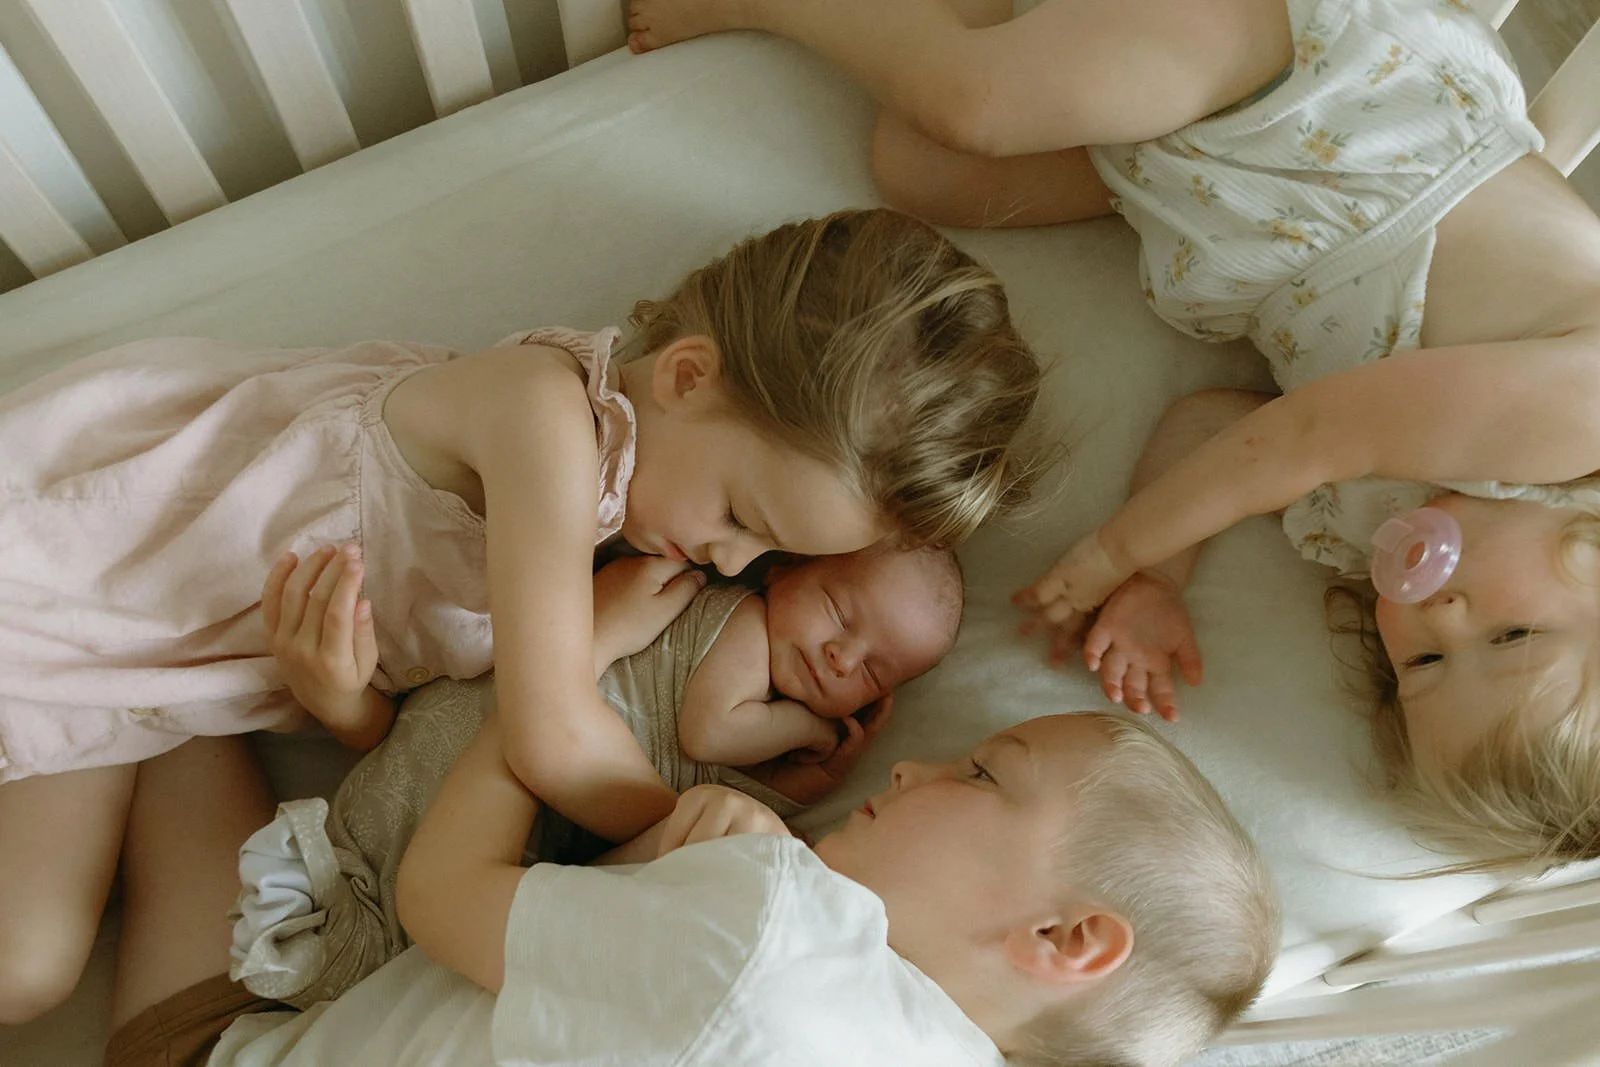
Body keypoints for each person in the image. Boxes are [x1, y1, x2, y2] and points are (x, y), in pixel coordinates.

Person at [0, 207, 1049, 1024]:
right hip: (100, 564)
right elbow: (546, 731)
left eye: (769, 557)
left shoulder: (621, 545)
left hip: (170, 671)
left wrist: (337, 696)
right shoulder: (544, 420)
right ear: (687, 375)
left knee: (30, 962)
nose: (736, 562)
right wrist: (735, 855)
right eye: (740, 516)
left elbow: (411, 728)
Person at [625, 0, 1600, 868]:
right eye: (1510, 632)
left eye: (1422, 666)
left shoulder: (1366, 522)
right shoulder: (1574, 418)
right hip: (1315, 90)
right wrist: (1109, 552)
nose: (1445, 615)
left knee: (921, 165)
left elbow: (1215, 422)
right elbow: (1296, 433)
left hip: (1215, 198)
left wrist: (1158, 580)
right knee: (977, 100)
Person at [105, 706, 1278, 1067]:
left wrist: (531, 717)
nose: (913, 761)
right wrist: (662, 861)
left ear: (1066, 935)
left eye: (982, 771)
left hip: (226, 1053)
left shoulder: (774, 918)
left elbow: (446, 899)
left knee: (168, 709)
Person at [231, 544, 965, 1006]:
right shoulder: (736, 619)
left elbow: (704, 812)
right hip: (496, 747)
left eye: (873, 669)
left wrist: (806, 785)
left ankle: (346, 941)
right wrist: (812, 729)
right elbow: (708, 729)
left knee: (410, 855)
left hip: (491, 796)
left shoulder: (764, 720)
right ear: (785, 569)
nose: (841, 655)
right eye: (839, 611)